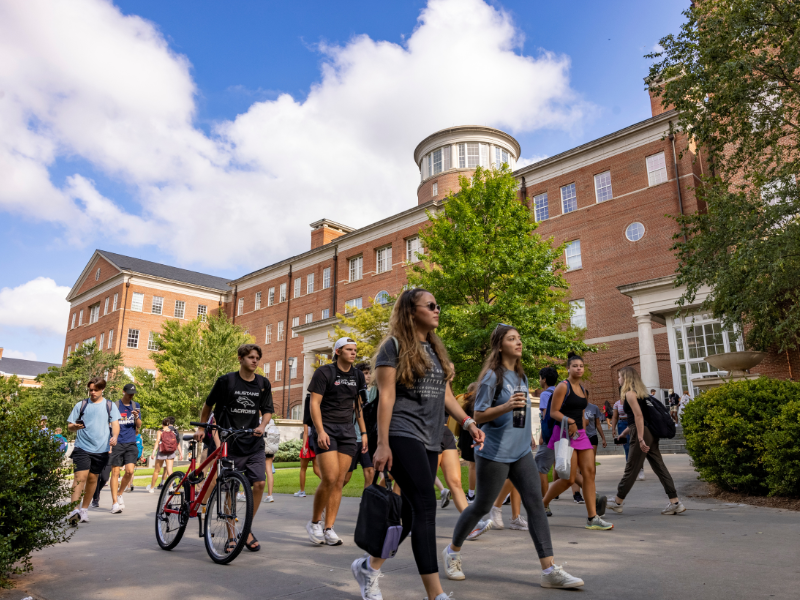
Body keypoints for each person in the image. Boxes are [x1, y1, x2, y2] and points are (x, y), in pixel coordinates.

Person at [350, 288, 485, 600]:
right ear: (411, 312)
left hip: (431, 436)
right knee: (426, 504)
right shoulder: (392, 347)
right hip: (401, 433)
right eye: (431, 305)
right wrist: (383, 443)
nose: (437, 309)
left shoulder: (435, 350)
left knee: (411, 515)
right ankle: (436, 594)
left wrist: (468, 422)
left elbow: (446, 396)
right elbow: (386, 396)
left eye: (438, 304)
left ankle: (369, 568)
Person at [443, 324, 583, 589]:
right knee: (482, 506)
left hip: (520, 453)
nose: (518, 342)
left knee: (535, 506)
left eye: (519, 338)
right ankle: (452, 551)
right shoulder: (491, 377)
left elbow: (519, 413)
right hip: (494, 452)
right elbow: (480, 415)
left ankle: (549, 569)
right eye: (511, 339)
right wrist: (506, 406)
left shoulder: (521, 376)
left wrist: (527, 435)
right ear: (499, 346)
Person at [193, 343, 274, 552]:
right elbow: (208, 405)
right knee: (230, 489)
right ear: (240, 358)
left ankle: (245, 528)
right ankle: (231, 535)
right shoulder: (226, 381)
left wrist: (262, 425)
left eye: (257, 357)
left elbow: (267, 410)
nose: (254, 361)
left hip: (253, 441)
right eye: (250, 357)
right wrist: (203, 427)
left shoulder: (263, 384)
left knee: (259, 484)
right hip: (229, 442)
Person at [306, 337, 368, 546]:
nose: (354, 353)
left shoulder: (357, 375)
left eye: (355, 350)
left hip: (347, 431)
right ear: (338, 351)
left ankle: (329, 528)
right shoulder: (324, 372)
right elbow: (314, 403)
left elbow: (357, 405)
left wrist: (364, 433)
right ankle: (315, 522)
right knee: (330, 478)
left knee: (340, 480)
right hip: (327, 429)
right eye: (349, 349)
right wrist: (320, 431)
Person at [541, 353, 613, 530]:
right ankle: (542, 504)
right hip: (565, 434)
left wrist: (582, 424)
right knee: (569, 478)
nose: (579, 368)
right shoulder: (562, 387)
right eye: (575, 366)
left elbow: (581, 411)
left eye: (581, 366)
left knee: (589, 473)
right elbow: (553, 412)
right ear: (568, 368)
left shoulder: (581, 388)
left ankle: (592, 518)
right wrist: (571, 421)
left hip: (580, 434)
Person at [607, 367, 686, 516]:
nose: (618, 380)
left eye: (619, 377)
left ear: (626, 378)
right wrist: (625, 432)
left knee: (632, 467)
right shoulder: (641, 394)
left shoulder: (630, 393)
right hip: (648, 432)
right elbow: (636, 418)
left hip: (642, 433)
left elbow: (638, 417)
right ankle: (675, 502)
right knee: (659, 466)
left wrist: (641, 438)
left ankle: (617, 501)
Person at [65, 377, 121, 525]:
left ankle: (84, 510)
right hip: (82, 446)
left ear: (102, 389)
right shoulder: (82, 405)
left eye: (96, 390)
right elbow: (69, 426)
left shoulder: (109, 405)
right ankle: (74, 510)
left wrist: (114, 437)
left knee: (92, 479)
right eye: (91, 390)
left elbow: (115, 424)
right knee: (80, 477)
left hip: (101, 448)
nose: (93, 392)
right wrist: (74, 427)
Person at [107, 383, 141, 513]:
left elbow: (139, 425)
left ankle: (120, 493)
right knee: (115, 472)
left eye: (133, 393)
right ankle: (114, 502)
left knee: (130, 471)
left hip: (131, 442)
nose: (131, 395)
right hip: (117, 442)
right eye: (129, 392)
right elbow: (109, 424)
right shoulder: (115, 406)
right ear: (123, 392)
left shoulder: (135, 405)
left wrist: (136, 416)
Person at [343, 363, 375, 491]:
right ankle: (329, 497)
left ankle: (366, 502)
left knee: (370, 471)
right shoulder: (350, 391)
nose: (368, 376)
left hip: (366, 439)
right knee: (346, 476)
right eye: (365, 373)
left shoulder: (374, 391)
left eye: (370, 373)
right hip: (352, 438)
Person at [147, 417, 183, 492]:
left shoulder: (160, 432)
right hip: (171, 452)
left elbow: (157, 442)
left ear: (162, 424)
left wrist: (153, 452)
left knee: (157, 471)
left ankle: (151, 488)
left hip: (161, 452)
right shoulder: (173, 432)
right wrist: (180, 453)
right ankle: (171, 487)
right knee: (170, 471)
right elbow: (177, 443)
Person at [457, 384, 478, 504]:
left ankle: (471, 494)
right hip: (484, 435)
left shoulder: (464, 403)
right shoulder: (483, 401)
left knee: (472, 466)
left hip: (469, 438)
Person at [295, 398, 320, 497]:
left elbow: (305, 433)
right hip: (316, 444)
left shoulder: (307, 418)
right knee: (316, 469)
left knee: (303, 469)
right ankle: (330, 485)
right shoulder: (318, 417)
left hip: (308, 444)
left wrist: (304, 447)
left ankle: (302, 491)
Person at [583, 393, 607, 458]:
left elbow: (598, 424)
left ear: (588, 395)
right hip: (582, 436)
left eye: (584, 394)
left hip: (592, 435)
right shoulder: (577, 408)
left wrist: (603, 438)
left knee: (592, 459)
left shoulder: (594, 407)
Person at [264, 416, 280, 502]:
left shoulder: (260, 420)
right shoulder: (272, 421)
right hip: (270, 449)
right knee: (269, 472)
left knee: (255, 471)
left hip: (261, 448)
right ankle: (270, 495)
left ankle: (245, 494)